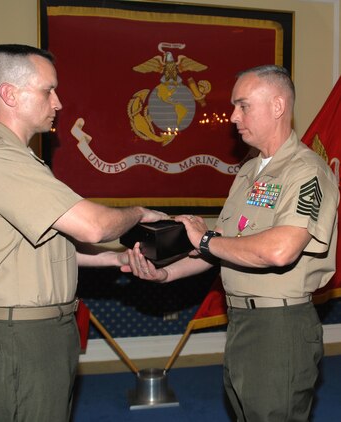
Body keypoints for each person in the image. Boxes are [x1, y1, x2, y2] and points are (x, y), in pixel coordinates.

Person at [0, 44, 168, 422]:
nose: (57, 102)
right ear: (9, 94)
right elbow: (93, 225)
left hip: (38, 333)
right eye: (47, 90)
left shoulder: (19, 160)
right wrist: (139, 212)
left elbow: (52, 243)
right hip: (21, 338)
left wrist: (114, 257)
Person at [124, 65, 339, 421]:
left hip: (279, 325)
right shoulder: (248, 172)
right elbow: (220, 248)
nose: (233, 116)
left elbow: (279, 250)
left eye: (243, 106)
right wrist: (167, 274)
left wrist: (206, 239)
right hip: (241, 321)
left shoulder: (306, 171)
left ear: (277, 106)